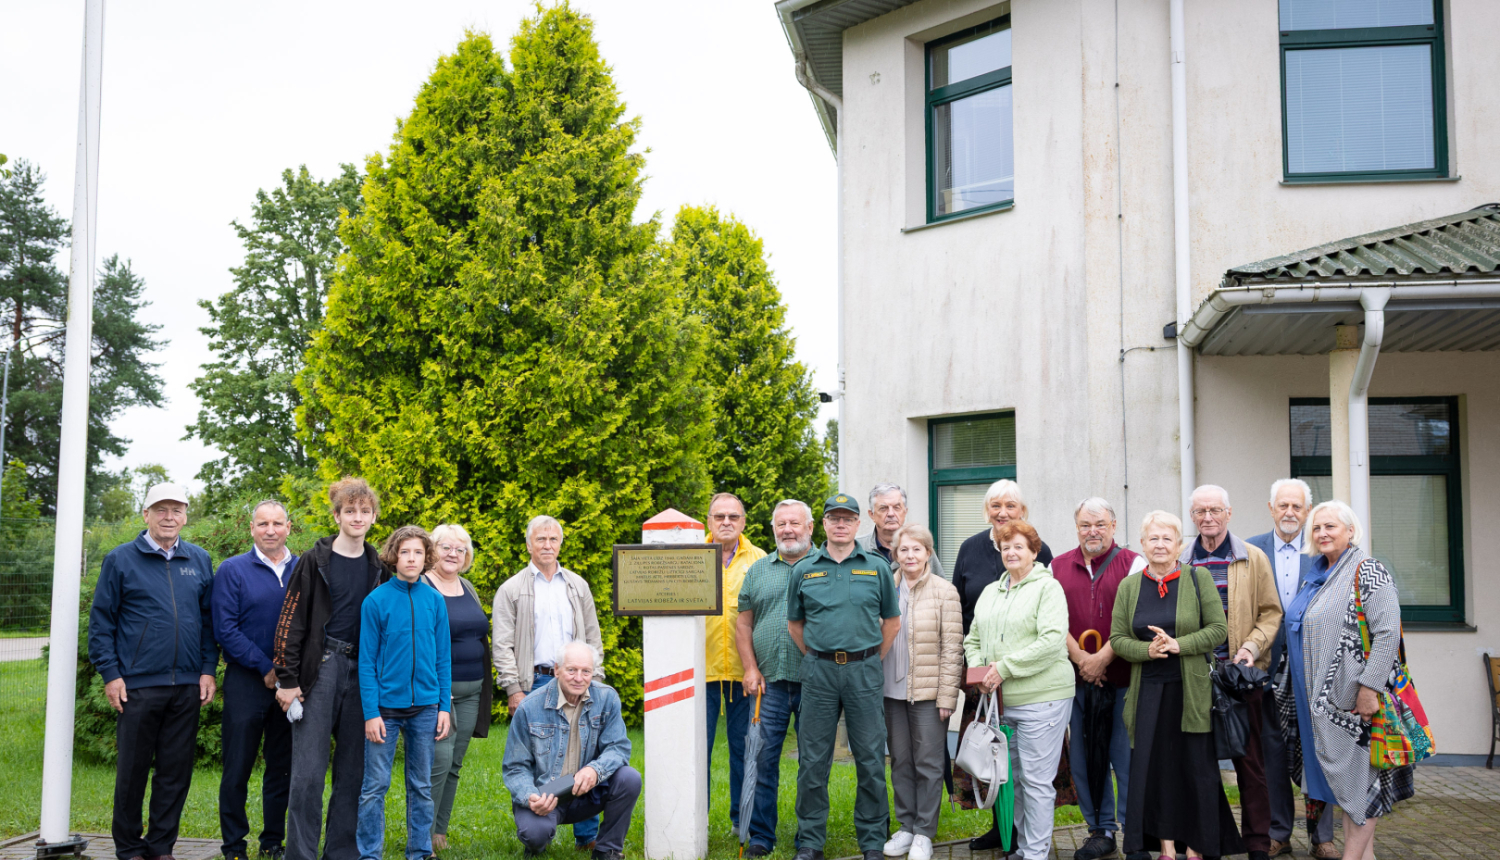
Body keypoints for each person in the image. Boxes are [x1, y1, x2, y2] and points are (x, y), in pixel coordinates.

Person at [88, 483, 218, 860]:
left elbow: (209, 623)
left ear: (186, 515)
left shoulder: (199, 560)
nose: (169, 517)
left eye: (176, 510)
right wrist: (111, 674)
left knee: (175, 773)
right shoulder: (120, 559)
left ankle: (161, 847)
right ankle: (128, 848)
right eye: (160, 509)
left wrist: (208, 670)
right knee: (132, 772)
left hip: (188, 686)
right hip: (138, 686)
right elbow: (101, 624)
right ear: (145, 515)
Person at [1112, 511, 1242, 860]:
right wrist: (1147, 650)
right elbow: (1118, 639)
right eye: (1153, 538)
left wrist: (1177, 645)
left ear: (1179, 545)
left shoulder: (1197, 580)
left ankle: (1196, 844)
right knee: (1157, 772)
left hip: (1192, 693)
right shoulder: (1128, 587)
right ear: (1142, 544)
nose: (1159, 544)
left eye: (1167, 538)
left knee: (1195, 769)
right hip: (1148, 694)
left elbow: (1218, 630)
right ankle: (1167, 846)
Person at [1287, 501, 1413, 860]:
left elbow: (1388, 633)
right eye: (1317, 528)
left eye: (1331, 527)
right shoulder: (1317, 573)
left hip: (1352, 703)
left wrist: (1369, 689)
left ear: (1351, 531)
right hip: (1319, 706)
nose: (1322, 533)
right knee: (1345, 786)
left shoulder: (1368, 570)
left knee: (1358, 786)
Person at [274, 477, 390, 860]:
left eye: (364, 511)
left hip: (364, 675)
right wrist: (287, 679)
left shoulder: (379, 566)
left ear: (373, 516)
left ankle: (341, 852)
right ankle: (301, 854)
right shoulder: (314, 560)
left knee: (354, 771)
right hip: (320, 670)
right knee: (308, 774)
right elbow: (289, 622)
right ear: (337, 515)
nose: (357, 517)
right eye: (349, 511)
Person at [787, 492, 901, 860]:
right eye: (833, 518)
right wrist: (822, 657)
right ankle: (810, 841)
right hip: (819, 673)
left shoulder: (876, 567)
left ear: (857, 523)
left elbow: (892, 622)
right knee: (813, 761)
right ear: (823, 523)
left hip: (864, 672)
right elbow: (795, 624)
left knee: (869, 758)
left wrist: (865, 658)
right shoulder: (804, 568)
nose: (840, 524)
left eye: (847, 518)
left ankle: (871, 840)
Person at [492, 514, 606, 850]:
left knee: (586, 754)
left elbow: (592, 636)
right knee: (542, 759)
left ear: (560, 544)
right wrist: (514, 688)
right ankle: (540, 824)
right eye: (540, 539)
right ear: (528, 544)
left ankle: (586, 837)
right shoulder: (511, 589)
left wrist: (594, 680)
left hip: (579, 680)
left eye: (553, 539)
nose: (547, 545)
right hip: (537, 682)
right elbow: (502, 643)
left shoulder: (576, 585)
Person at [1180, 485, 1281, 860]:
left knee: (1250, 763)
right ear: (1192, 516)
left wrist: (1250, 649)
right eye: (1200, 511)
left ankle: (1257, 843)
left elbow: (1271, 613)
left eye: (1215, 510)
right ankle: (1211, 840)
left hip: (1240, 678)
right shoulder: (1180, 561)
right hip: (1195, 680)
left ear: (1229, 513)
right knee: (1200, 766)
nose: (1208, 517)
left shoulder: (1252, 558)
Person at [949, 479, 1053, 840]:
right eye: (995, 505)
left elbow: (1048, 620)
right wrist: (973, 666)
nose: (1002, 512)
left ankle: (1026, 832)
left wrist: (1005, 667)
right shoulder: (969, 548)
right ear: (986, 510)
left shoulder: (1040, 550)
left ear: (1022, 511)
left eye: (1010, 505)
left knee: (1025, 761)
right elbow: (960, 611)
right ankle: (1000, 826)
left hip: (1027, 677)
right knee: (988, 751)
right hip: (982, 674)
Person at [964, 520, 1073, 860]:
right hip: (1001, 702)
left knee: (1037, 783)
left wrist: (1004, 668)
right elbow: (973, 639)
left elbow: (1053, 641)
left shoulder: (1047, 588)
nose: (1011, 552)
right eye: (1005, 546)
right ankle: (1024, 849)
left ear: (1034, 552)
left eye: (1018, 546)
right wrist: (980, 670)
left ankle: (1036, 853)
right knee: (1015, 781)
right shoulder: (990, 592)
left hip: (1044, 698)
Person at [1050, 498, 1147, 860]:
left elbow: (1137, 616)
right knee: (1085, 756)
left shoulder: (1133, 563)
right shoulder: (1057, 566)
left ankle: (1134, 833)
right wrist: (1082, 660)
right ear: (1076, 527)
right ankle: (1100, 829)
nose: (1093, 531)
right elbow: (1052, 620)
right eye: (1086, 525)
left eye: (1100, 524)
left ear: (1114, 525)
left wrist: (1104, 657)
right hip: (1076, 681)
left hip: (1124, 678)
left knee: (1125, 758)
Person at [1246, 480, 1335, 859]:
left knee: (1320, 750)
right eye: (1283, 505)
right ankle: (1279, 832)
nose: (1289, 513)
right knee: (1273, 752)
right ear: (1271, 508)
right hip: (1267, 666)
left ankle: (1322, 837)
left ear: (1307, 510)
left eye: (1297, 507)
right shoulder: (1251, 549)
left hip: (1314, 668)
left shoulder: (1325, 550)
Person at [356, 526, 452, 860]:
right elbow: (366, 663)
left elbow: (443, 658)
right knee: (375, 787)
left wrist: (443, 706)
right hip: (384, 710)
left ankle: (420, 851)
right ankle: (369, 853)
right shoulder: (376, 601)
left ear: (427, 558)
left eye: (418, 552)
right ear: (394, 556)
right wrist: (370, 712)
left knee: (421, 786)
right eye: (405, 552)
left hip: (425, 708)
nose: (411, 558)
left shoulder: (435, 600)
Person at [212, 499, 298, 860]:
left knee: (281, 768)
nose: (270, 530)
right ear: (252, 529)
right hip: (247, 682)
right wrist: (265, 668)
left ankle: (272, 842)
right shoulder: (232, 570)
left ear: (289, 528)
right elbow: (225, 628)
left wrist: (288, 676)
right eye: (263, 524)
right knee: (238, 767)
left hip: (291, 685)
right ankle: (234, 845)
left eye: (277, 523)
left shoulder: (303, 568)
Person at [503, 640, 641, 860]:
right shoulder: (530, 707)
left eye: (586, 671)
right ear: (557, 670)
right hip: (545, 793)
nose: (579, 678)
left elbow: (618, 747)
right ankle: (537, 843)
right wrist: (530, 797)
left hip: (588, 791)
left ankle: (608, 850)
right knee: (535, 835)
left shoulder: (607, 698)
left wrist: (595, 770)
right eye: (572, 670)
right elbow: (514, 767)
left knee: (629, 778)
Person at [735, 499, 817, 858]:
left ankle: (809, 838)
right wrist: (750, 668)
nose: (788, 529)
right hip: (769, 684)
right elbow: (744, 622)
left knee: (812, 763)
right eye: (781, 524)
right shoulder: (757, 570)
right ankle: (761, 836)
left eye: (794, 523)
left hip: (817, 683)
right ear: (773, 529)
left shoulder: (826, 566)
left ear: (810, 527)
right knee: (762, 759)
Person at [881, 524, 961, 860]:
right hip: (890, 690)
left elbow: (952, 648)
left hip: (928, 693)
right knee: (900, 761)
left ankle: (925, 833)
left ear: (928, 553)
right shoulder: (884, 586)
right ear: (895, 554)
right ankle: (906, 826)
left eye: (917, 549)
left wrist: (947, 697)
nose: (910, 556)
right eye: (904, 550)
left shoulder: (945, 591)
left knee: (928, 764)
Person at [423, 523, 494, 853]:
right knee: (438, 761)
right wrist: (439, 690)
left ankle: (440, 830)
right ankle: (421, 832)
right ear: (431, 550)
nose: (453, 554)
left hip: (472, 690)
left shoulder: (467, 587)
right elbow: (419, 643)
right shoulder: (423, 586)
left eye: (460, 549)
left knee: (454, 764)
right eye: (445, 547)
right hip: (440, 691)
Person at [704, 492, 767, 834]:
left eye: (733, 516)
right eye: (719, 517)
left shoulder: (759, 560)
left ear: (743, 522)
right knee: (697, 754)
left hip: (747, 673)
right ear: (709, 522)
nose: (726, 522)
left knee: (746, 753)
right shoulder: (692, 558)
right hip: (702, 673)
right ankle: (694, 819)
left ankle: (740, 822)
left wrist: (755, 668)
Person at [859, 483, 946, 581]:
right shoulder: (857, 548)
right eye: (883, 508)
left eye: (897, 507)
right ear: (872, 515)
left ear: (905, 512)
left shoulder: (922, 547)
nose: (891, 514)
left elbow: (941, 590)